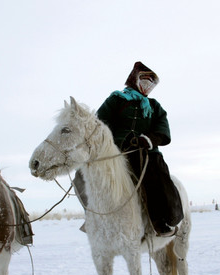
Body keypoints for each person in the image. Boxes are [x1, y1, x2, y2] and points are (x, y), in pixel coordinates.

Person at [77, 61, 183, 237]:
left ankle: (161, 221)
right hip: (116, 153)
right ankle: (93, 216)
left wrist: (149, 139)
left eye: (152, 83)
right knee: (83, 174)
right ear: (134, 78)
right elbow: (99, 124)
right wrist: (115, 141)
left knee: (156, 179)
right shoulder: (116, 99)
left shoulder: (155, 106)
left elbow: (163, 130)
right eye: (145, 80)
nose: (148, 85)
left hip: (146, 154)